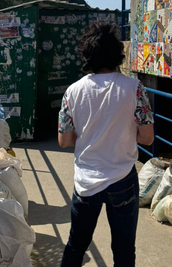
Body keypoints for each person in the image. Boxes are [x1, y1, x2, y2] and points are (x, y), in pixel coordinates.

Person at [58, 21, 154, 267]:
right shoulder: (134, 88)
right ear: (118, 55)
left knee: (76, 245)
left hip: (86, 180)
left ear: (86, 55)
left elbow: (64, 140)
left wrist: (92, 133)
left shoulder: (72, 91)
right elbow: (147, 138)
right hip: (122, 178)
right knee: (123, 250)